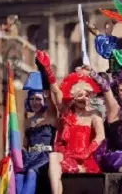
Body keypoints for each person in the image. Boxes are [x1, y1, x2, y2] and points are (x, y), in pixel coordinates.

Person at [41, 53, 107, 194]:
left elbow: (100, 136)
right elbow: (57, 93)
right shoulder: (67, 113)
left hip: (84, 159)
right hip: (67, 155)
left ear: (89, 97)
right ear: (74, 98)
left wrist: (86, 152)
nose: (82, 98)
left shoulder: (94, 116)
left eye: (85, 95)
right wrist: (48, 72)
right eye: (79, 95)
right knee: (53, 157)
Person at [15, 69, 58, 194]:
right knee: (18, 175)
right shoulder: (28, 121)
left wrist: (46, 85)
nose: (35, 102)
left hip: (45, 157)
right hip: (29, 156)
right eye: (32, 99)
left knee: (31, 172)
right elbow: (25, 144)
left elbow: (51, 102)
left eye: (38, 99)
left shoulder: (50, 116)